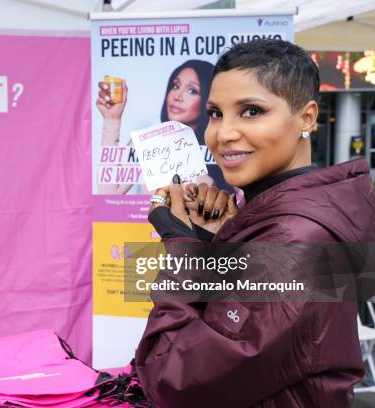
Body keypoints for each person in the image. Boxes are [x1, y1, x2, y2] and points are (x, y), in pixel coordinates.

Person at [135, 39, 375, 407]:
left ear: (307, 117)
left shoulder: (296, 238)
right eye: (216, 113)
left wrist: (185, 247)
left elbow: (172, 379)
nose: (223, 133)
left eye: (251, 111)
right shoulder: (275, 216)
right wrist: (216, 244)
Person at [96, 59, 232, 194]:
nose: (177, 96)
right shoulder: (147, 143)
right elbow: (108, 194)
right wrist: (112, 121)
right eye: (175, 86)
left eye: (192, 91)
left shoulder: (220, 148)